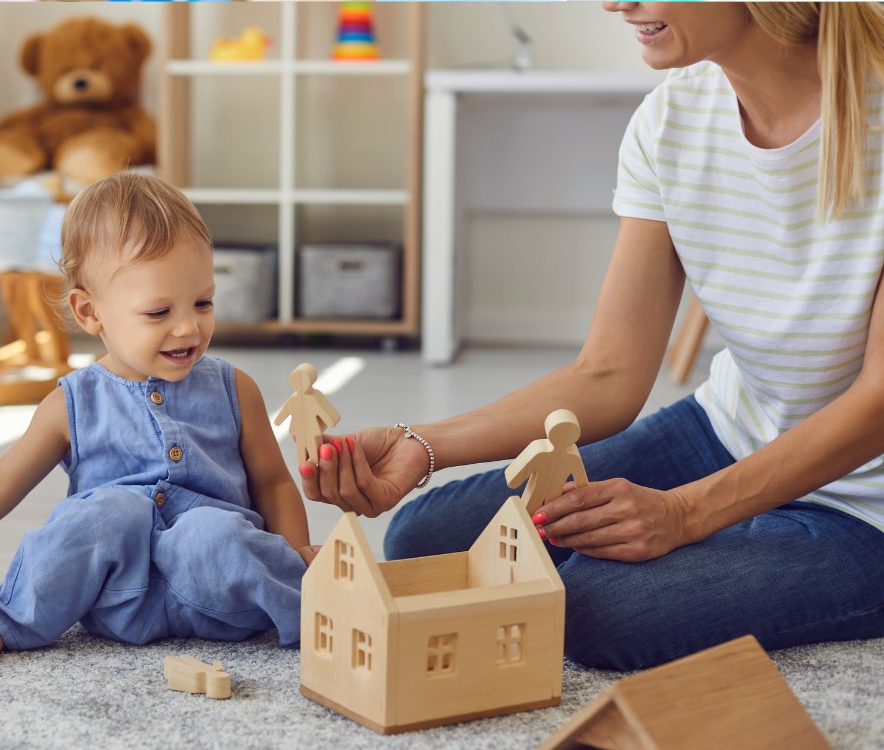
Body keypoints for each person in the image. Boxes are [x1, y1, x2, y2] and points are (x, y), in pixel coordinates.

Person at [302, 2, 884, 671]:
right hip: (729, 432)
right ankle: (748, 533)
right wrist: (421, 446)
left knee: (590, 607)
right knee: (428, 541)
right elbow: (608, 374)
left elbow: (877, 403)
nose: (614, 2)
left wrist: (687, 516)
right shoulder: (672, 119)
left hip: (866, 506)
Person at [0, 172, 318, 665]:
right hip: (116, 599)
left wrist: (294, 553)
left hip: (222, 593)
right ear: (90, 313)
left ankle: (316, 610)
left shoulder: (234, 388)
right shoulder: (72, 403)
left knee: (211, 531)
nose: (188, 326)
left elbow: (274, 483)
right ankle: (9, 621)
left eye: (203, 302)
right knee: (105, 513)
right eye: (158, 312)